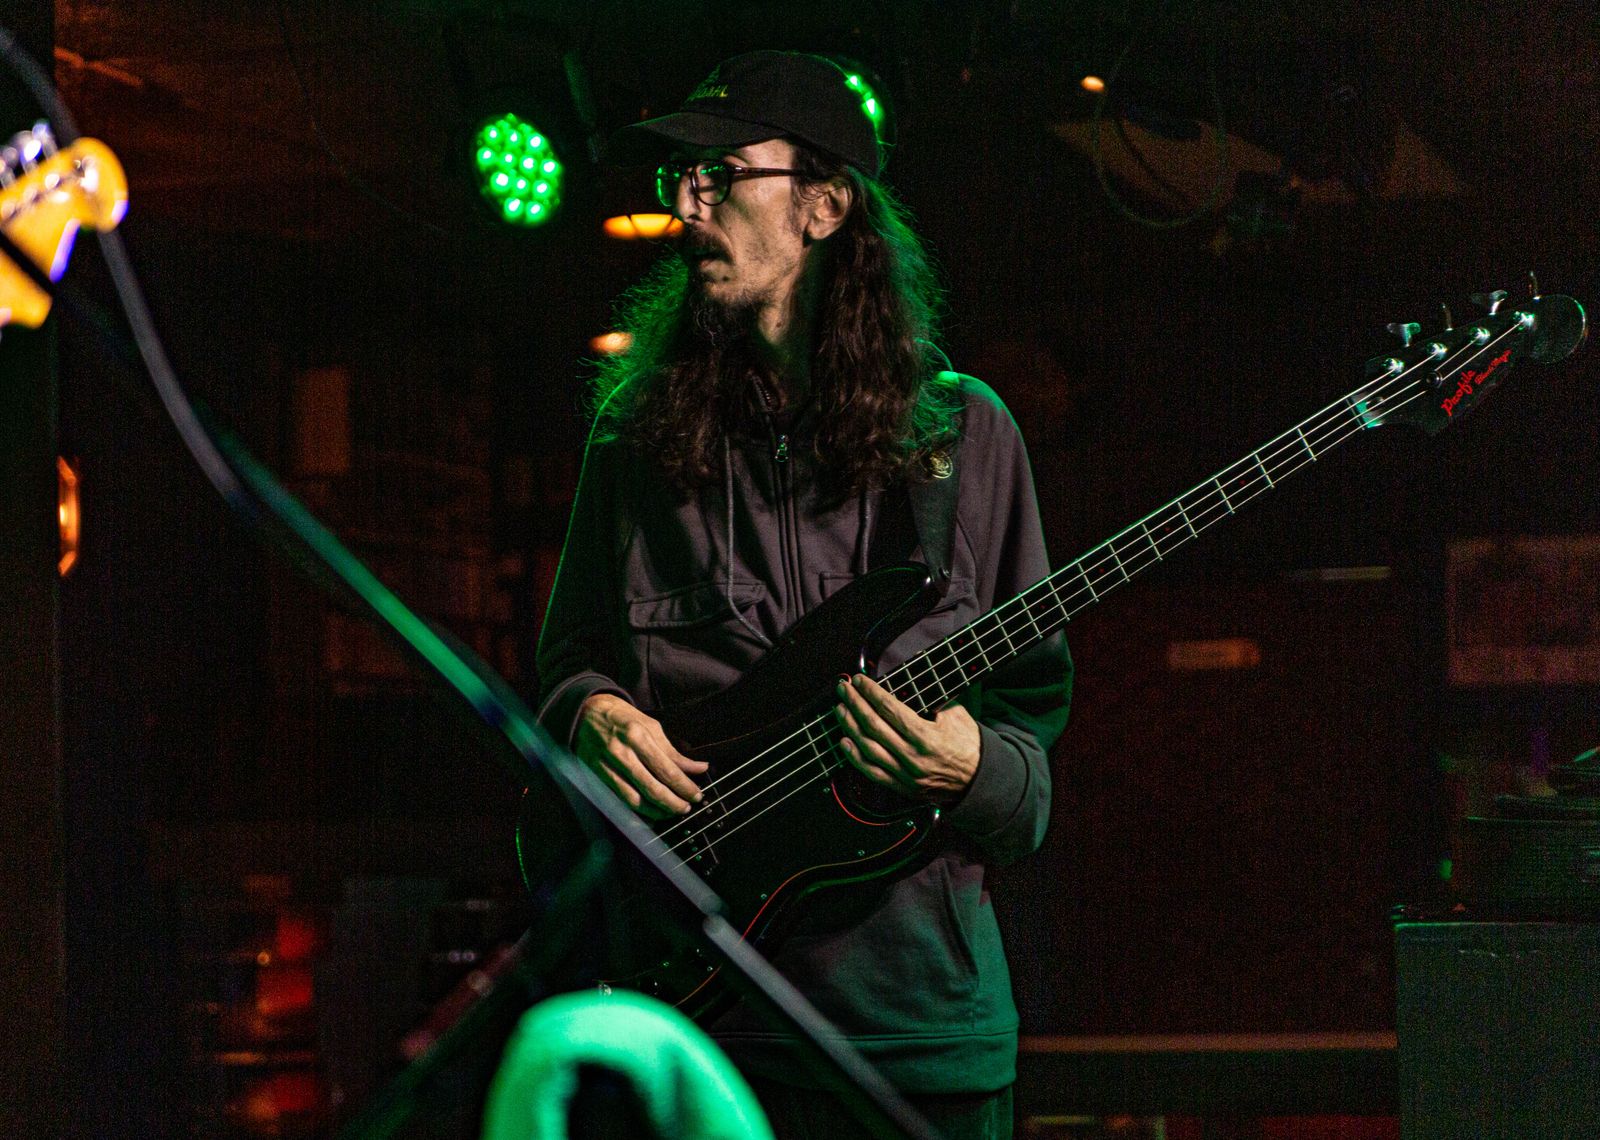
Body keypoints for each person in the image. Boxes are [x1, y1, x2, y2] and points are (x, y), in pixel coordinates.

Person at [535, 49, 1071, 1140]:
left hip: (915, 1033)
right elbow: (565, 667)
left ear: (824, 206)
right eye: (679, 182)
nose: (688, 208)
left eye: (721, 176)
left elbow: (1032, 741)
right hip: (702, 1031)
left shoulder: (963, 437)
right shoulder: (635, 441)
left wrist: (970, 766)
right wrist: (589, 715)